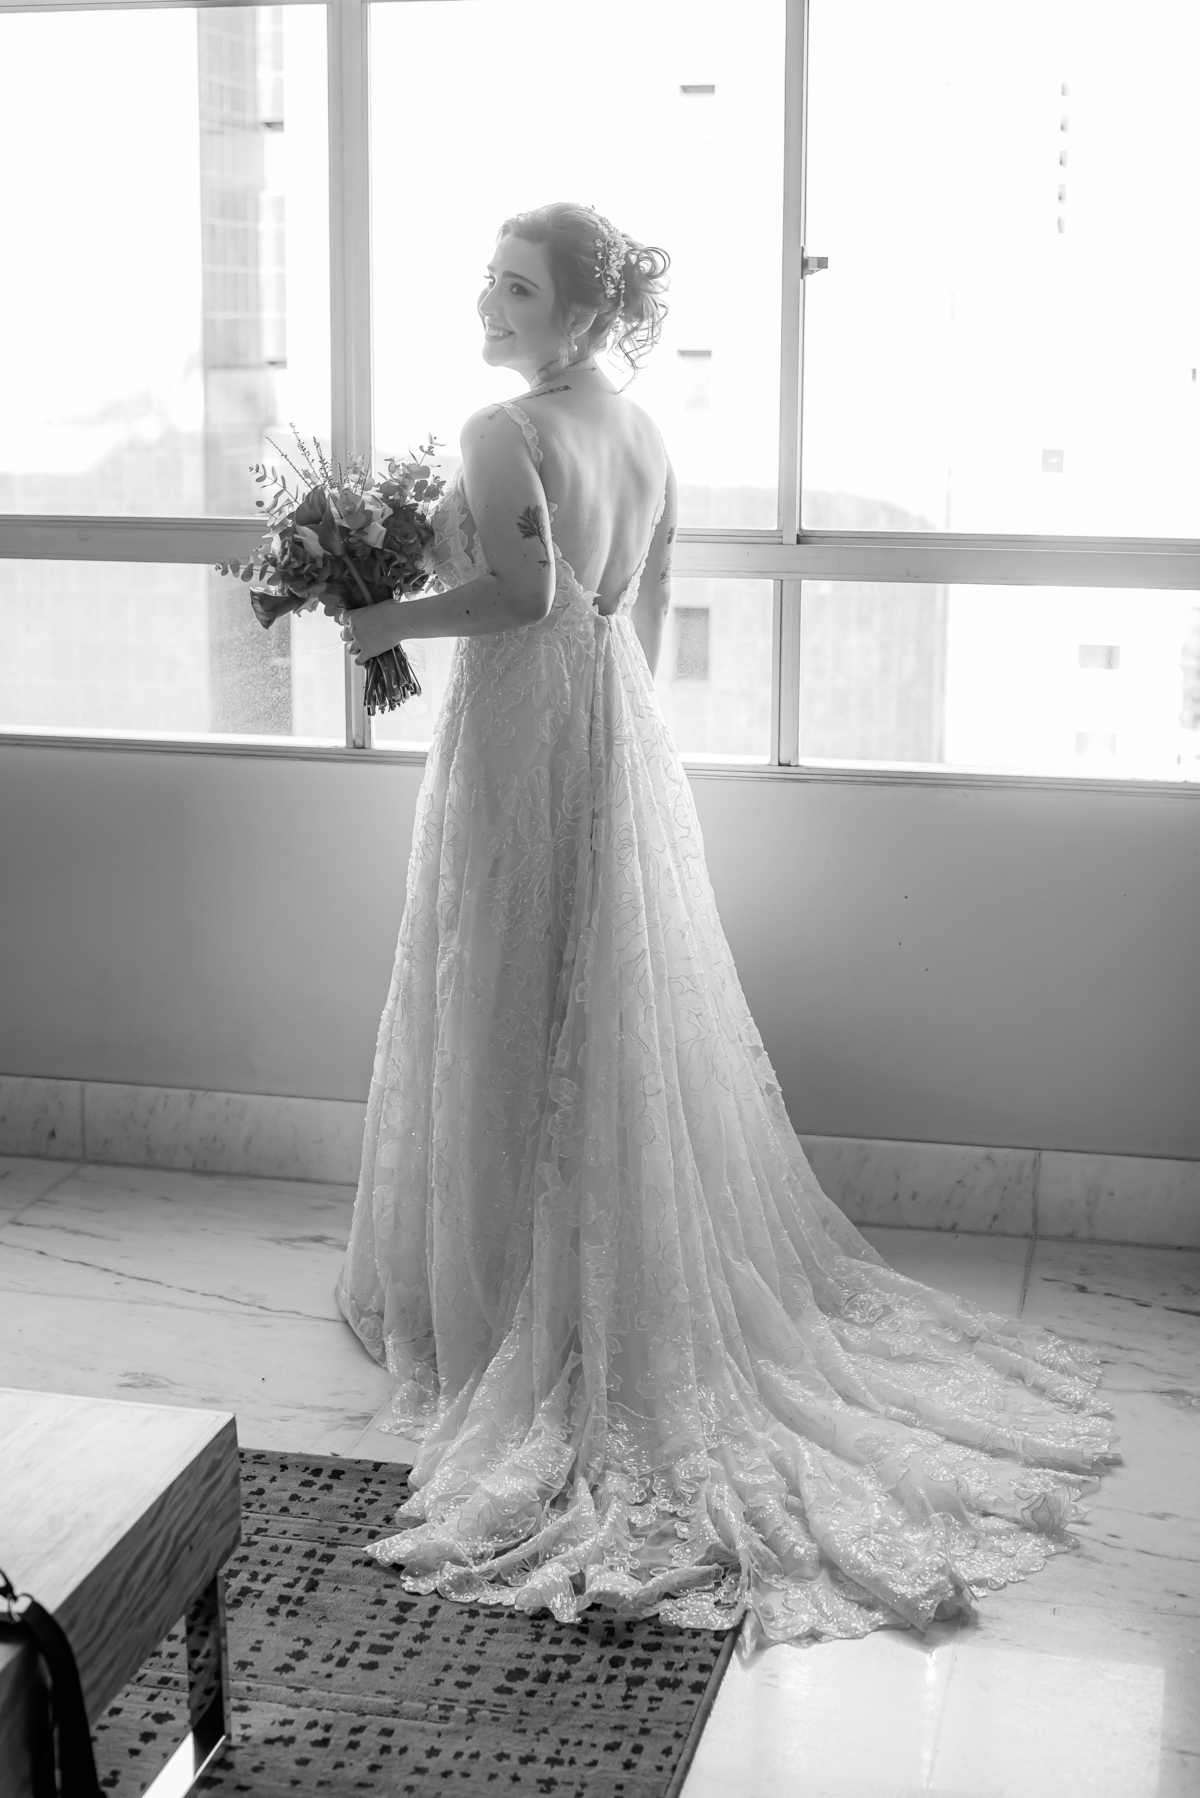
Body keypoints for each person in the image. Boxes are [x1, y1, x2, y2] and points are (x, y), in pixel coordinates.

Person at [335, 201, 1116, 1647]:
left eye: (519, 289)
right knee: (600, 995)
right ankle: (569, 1261)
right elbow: (636, 613)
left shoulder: (505, 431)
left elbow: (521, 593)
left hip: (521, 727)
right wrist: (615, 750)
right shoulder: (644, 432)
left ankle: (511, 1289)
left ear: (582, 312)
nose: (490, 304)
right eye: (490, 280)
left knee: (505, 981)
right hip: (615, 726)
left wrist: (387, 627)